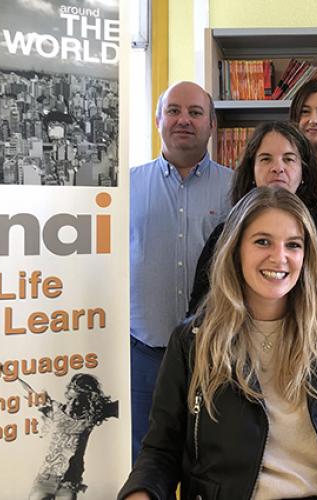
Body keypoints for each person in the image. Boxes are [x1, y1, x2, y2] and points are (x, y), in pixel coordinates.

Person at [118, 187, 317, 500]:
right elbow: (161, 449)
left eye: (293, 245)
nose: (280, 258)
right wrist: (140, 492)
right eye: (263, 241)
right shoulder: (193, 341)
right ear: (235, 250)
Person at [130, 81, 233, 462]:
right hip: (144, 353)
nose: (184, 120)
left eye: (195, 112)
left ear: (212, 123)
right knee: (144, 457)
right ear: (158, 119)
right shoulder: (127, 186)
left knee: (211, 459)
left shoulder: (236, 187)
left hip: (215, 353)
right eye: (173, 110)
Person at [189, 121, 317, 338]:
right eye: (266, 159)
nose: (277, 168)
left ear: (304, 171)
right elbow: (199, 312)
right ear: (251, 170)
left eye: (289, 159)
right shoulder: (225, 236)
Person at [29, 374, 118, 500]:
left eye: (77, 400)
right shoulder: (55, 410)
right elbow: (29, 392)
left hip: (69, 483)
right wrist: (5, 371)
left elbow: (126, 404)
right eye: (69, 398)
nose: (72, 404)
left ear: (86, 401)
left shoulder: (89, 418)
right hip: (45, 479)